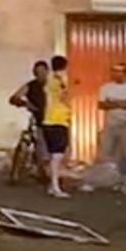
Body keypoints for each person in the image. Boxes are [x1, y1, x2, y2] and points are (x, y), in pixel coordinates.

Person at [97, 62, 126, 170]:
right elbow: (102, 104)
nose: (115, 73)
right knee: (106, 150)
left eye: (118, 71)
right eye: (113, 71)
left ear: (125, 73)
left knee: (125, 151)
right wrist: (123, 103)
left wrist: (114, 103)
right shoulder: (106, 88)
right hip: (110, 124)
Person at [41, 56, 73, 198]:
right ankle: (55, 186)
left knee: (54, 155)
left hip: (50, 120)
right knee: (57, 155)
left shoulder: (50, 80)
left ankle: (52, 185)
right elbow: (64, 97)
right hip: (57, 120)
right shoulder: (58, 81)